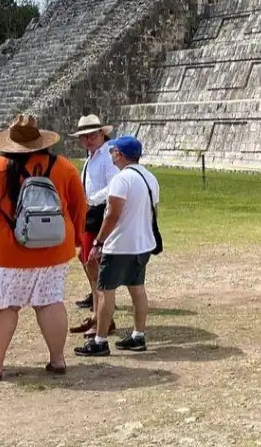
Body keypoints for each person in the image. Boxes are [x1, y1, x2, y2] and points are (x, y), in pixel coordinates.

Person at [0, 115, 87, 380]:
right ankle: (57, 360)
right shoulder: (63, 167)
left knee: (5, 306)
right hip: (54, 248)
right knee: (50, 302)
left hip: (8, 251)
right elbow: (78, 207)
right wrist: (79, 239)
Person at [75, 136, 160, 357]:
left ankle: (100, 340)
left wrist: (99, 242)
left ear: (120, 155)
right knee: (137, 290)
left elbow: (112, 214)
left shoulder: (121, 179)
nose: (111, 155)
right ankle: (138, 335)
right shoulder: (150, 177)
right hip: (142, 244)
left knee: (104, 292)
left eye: (113, 152)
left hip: (120, 245)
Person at [68, 114, 118, 338]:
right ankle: (99, 315)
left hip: (99, 214)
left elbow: (113, 187)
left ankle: (102, 318)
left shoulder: (107, 156)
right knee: (88, 262)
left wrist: (89, 201)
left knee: (94, 264)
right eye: (84, 137)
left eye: (92, 135)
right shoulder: (91, 157)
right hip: (89, 214)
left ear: (102, 134)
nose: (88, 140)